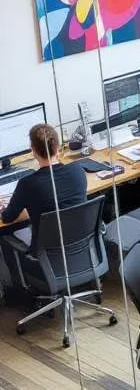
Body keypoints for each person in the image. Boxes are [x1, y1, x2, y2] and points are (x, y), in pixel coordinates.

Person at [0, 124, 87, 299]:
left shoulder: (27, 184)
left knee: (5, 235)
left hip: (46, 257)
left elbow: (8, 217)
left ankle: (18, 293)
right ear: (58, 146)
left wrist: (3, 207)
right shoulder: (77, 171)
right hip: (82, 250)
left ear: (33, 150)